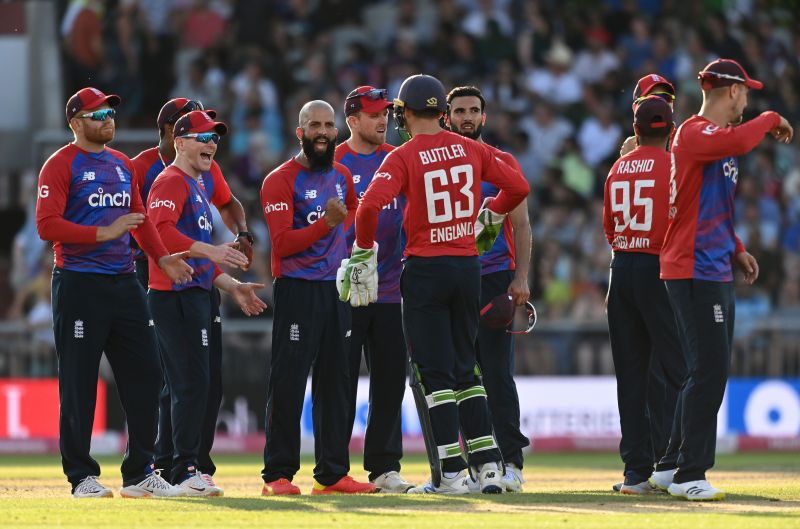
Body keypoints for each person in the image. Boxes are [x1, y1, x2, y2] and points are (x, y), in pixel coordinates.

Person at [340, 74, 530, 494]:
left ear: (403, 114)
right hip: (467, 268)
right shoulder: (473, 149)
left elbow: (368, 207)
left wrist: (364, 252)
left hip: (425, 269)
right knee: (469, 368)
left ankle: (450, 473)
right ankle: (488, 468)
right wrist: (490, 215)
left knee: (434, 375)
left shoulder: (402, 156)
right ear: (443, 113)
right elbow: (518, 186)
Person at [36, 87, 193, 498]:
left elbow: (141, 222)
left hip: (124, 284)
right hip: (79, 283)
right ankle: (81, 477)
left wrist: (163, 259)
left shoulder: (123, 164)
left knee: (148, 374)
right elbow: (46, 224)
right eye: (97, 113)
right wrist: (100, 232)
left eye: (109, 112)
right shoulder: (60, 164)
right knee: (79, 382)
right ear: (75, 122)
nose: (108, 118)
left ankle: (141, 472)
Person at [660, 59, 793, 501]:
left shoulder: (713, 142)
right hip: (695, 268)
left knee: (701, 371)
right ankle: (689, 474)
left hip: (710, 264)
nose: (749, 101)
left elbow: (708, 205)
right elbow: (741, 137)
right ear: (732, 91)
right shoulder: (697, 133)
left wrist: (736, 248)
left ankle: (669, 466)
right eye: (747, 93)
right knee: (710, 371)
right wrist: (771, 117)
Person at [131, 98, 253, 486]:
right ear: (178, 141)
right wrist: (210, 249)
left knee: (196, 382)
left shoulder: (197, 182)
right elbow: (159, 231)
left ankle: (185, 466)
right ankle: (183, 468)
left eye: (214, 139)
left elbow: (196, 250)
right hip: (174, 294)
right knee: (187, 383)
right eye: (202, 137)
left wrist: (232, 286)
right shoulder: (169, 181)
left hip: (193, 292)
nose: (210, 145)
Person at [259, 100, 376, 496]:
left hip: (336, 290)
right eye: (315, 125)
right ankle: (277, 474)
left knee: (336, 382)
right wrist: (325, 225)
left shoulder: (342, 175)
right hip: (297, 289)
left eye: (329, 124)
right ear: (300, 132)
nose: (323, 132)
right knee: (289, 381)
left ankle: (332, 474)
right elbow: (282, 244)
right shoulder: (279, 180)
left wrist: (355, 256)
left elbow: (357, 217)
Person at [445, 85, 532, 492]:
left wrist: (521, 277)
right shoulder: (437, 164)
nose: (466, 116)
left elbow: (522, 225)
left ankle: (511, 460)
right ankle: (479, 463)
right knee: (461, 374)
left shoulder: (502, 161)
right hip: (450, 277)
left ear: (484, 117)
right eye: (459, 110)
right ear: (447, 116)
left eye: (473, 110)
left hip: (494, 277)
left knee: (496, 373)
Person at [603, 96, 687, 495]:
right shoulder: (675, 165)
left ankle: (635, 472)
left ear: (635, 131)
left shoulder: (618, 167)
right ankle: (674, 466)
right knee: (679, 369)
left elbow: (607, 227)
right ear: (671, 130)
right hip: (661, 269)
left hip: (621, 270)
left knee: (631, 377)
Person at [335, 86, 413, 493]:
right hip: (348, 290)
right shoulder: (334, 162)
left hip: (392, 290)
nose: (382, 120)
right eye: (373, 114)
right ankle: (335, 468)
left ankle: (385, 467)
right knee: (340, 380)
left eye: (385, 113)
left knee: (389, 383)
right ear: (352, 121)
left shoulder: (397, 159)